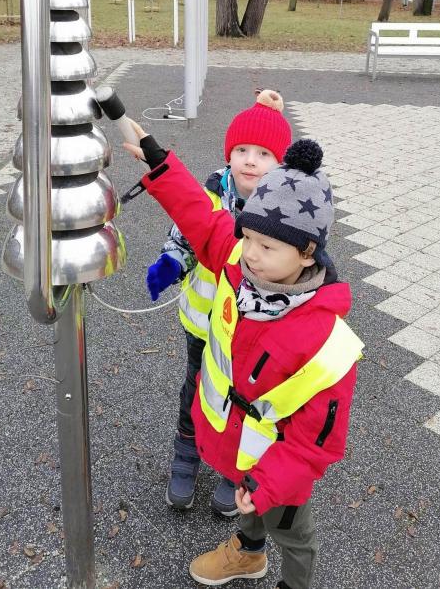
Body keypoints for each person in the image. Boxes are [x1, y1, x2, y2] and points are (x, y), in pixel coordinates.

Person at [125, 123, 363, 589]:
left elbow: (316, 443)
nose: (250, 254)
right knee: (248, 505)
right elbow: (201, 217)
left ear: (307, 252)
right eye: (247, 237)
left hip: (279, 471)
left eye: (266, 246)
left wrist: (268, 483)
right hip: (237, 447)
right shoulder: (240, 262)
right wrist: (160, 162)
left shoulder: (326, 343)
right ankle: (249, 553)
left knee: (293, 536)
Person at [146, 90, 292, 516]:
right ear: (229, 154)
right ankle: (186, 457)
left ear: (280, 164)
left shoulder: (285, 210)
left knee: (245, 401)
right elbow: (186, 233)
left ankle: (235, 469)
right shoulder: (210, 194)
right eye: (242, 150)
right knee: (197, 390)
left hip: (251, 334)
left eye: (263, 154)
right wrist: (173, 262)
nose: (250, 161)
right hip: (203, 325)